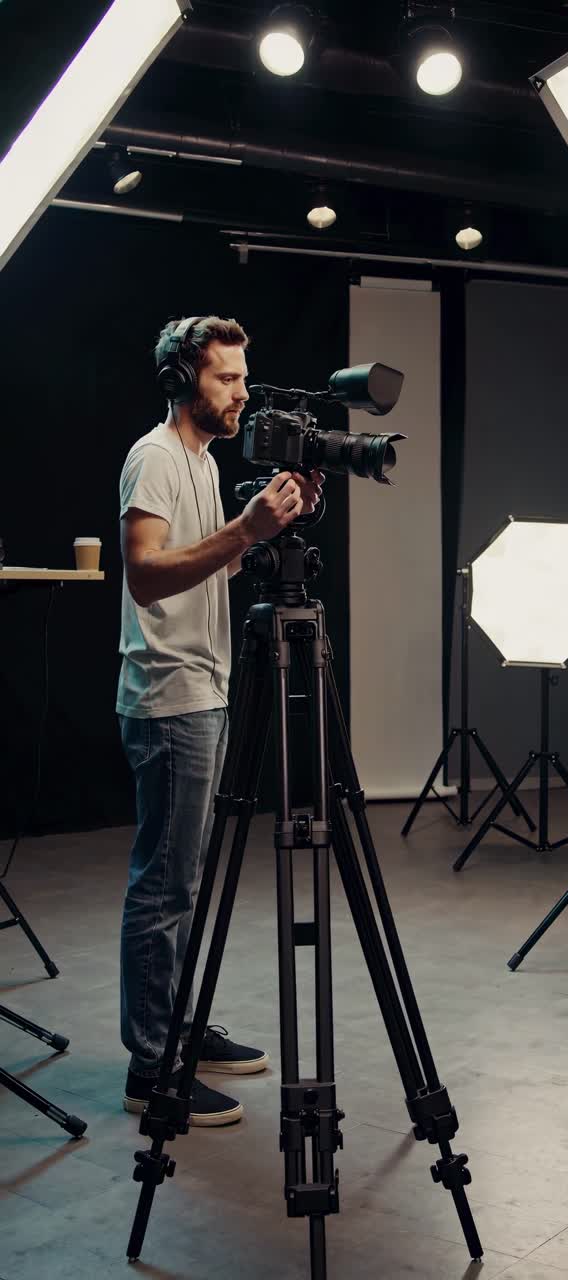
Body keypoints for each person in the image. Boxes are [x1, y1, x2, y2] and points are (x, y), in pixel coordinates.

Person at [117, 315, 323, 1126]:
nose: (242, 393)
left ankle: (176, 1029)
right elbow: (143, 576)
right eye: (226, 380)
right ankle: (149, 1068)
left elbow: (214, 562)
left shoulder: (201, 461)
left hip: (204, 690)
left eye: (242, 378)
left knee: (185, 879)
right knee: (165, 887)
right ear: (183, 382)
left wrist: (268, 527)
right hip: (171, 698)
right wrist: (245, 529)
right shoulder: (156, 457)